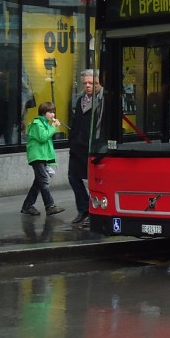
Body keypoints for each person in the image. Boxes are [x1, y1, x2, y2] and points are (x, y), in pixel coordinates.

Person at [67, 69, 103, 226]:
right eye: (85, 83)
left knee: (93, 181)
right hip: (77, 146)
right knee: (73, 177)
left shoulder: (102, 100)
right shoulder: (80, 100)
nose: (88, 86)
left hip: (92, 147)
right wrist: (72, 141)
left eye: (92, 83)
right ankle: (83, 209)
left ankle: (95, 211)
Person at [22, 101, 65, 216]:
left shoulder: (45, 123)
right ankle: (49, 206)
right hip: (37, 156)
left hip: (41, 156)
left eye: (53, 112)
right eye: (50, 112)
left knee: (38, 182)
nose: (52, 115)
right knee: (44, 181)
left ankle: (27, 206)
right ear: (43, 113)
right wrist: (53, 127)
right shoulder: (37, 123)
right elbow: (43, 137)